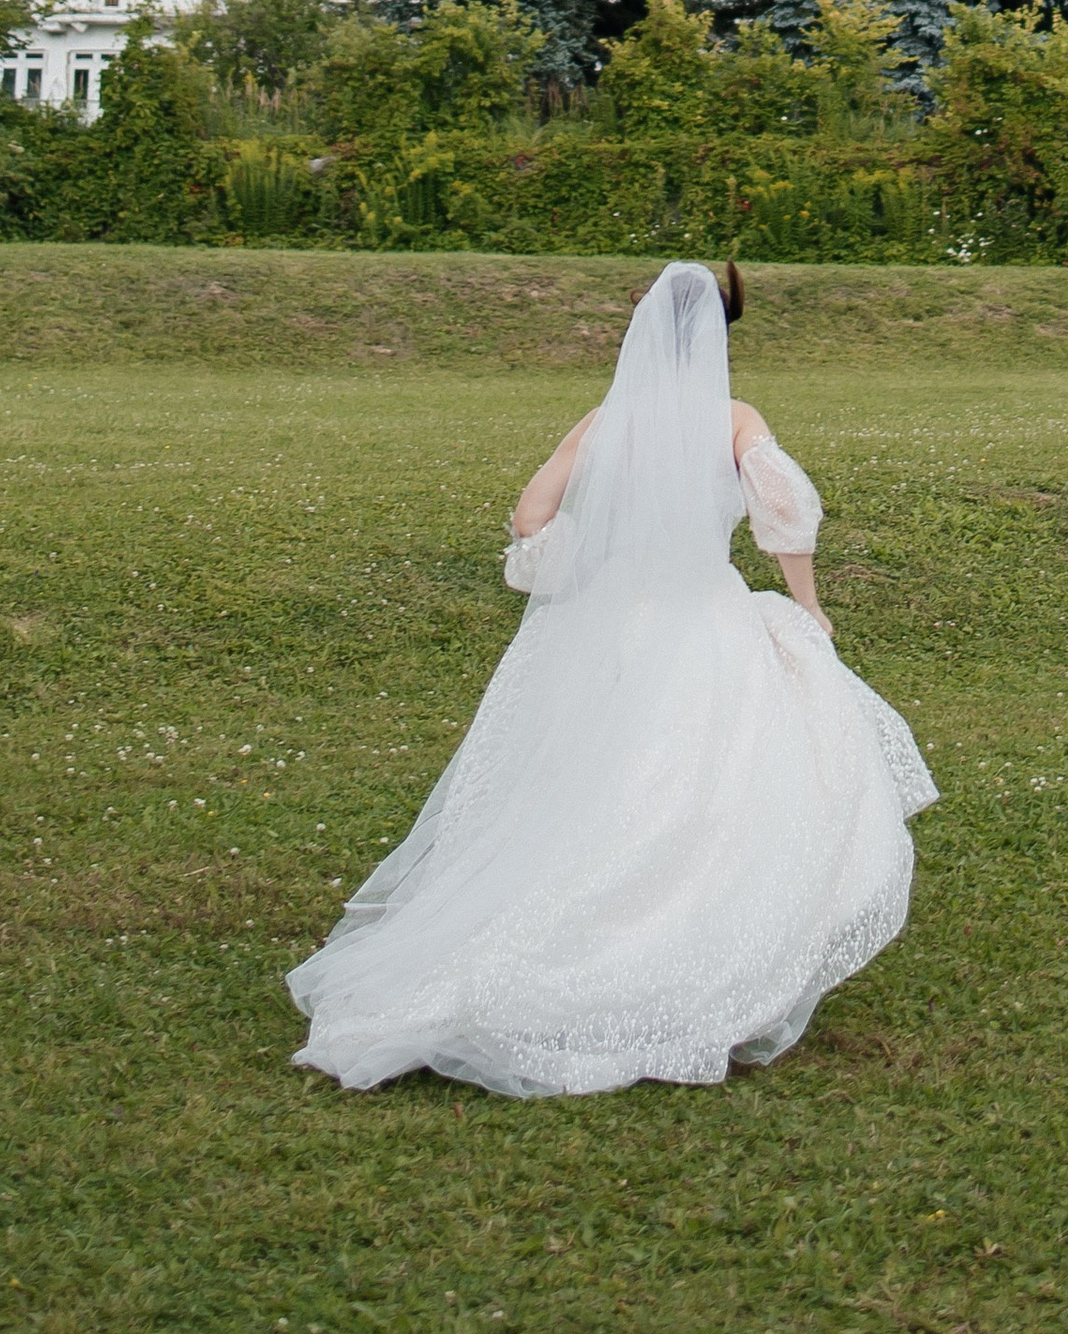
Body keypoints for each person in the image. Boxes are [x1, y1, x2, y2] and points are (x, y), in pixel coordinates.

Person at [287, 258, 937, 1097]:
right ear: (718, 340)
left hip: (611, 625)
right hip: (704, 617)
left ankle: (548, 937)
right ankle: (693, 947)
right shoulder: (734, 418)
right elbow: (785, 515)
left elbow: (529, 518)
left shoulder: (604, 422)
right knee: (711, 783)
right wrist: (808, 607)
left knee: (596, 781)